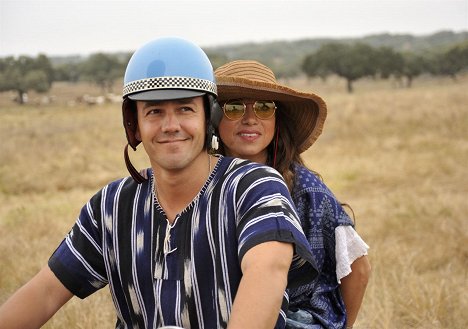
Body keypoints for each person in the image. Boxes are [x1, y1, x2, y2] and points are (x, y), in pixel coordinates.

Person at [0, 38, 318, 329]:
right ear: (133, 124)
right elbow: (43, 294)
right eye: (154, 111)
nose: (170, 125)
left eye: (185, 109)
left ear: (209, 117)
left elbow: (267, 272)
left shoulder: (254, 189)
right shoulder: (111, 207)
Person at [214, 60, 372, 329]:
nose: (250, 118)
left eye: (264, 108)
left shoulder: (306, 190)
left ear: (277, 119)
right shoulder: (202, 182)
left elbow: (358, 268)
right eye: (234, 107)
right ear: (213, 118)